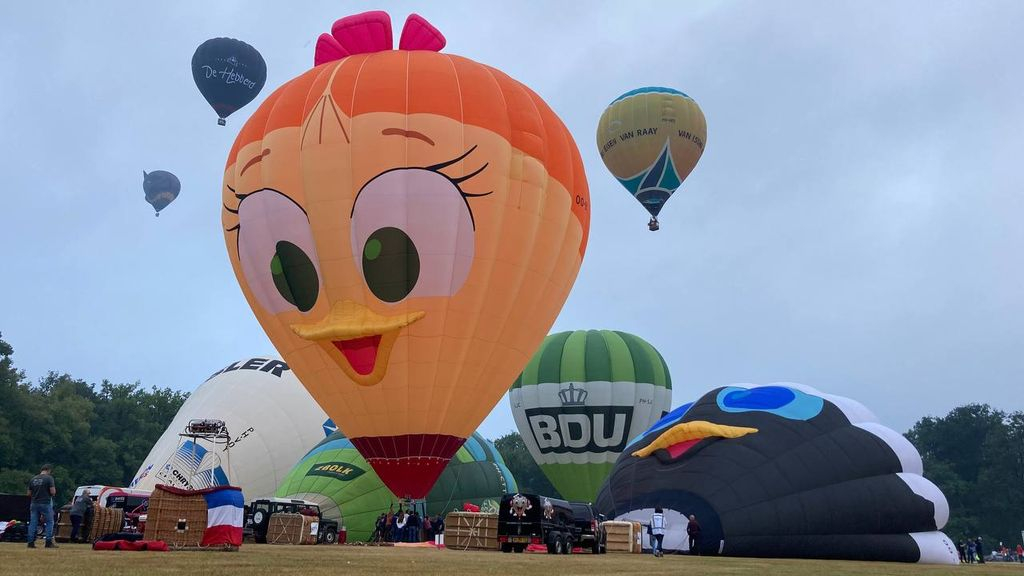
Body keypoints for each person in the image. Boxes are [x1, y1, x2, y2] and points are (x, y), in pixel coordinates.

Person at [27, 464, 57, 548]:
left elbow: (29, 493)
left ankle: (30, 542)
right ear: (49, 470)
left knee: (33, 523)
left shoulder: (33, 479)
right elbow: (52, 492)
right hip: (45, 503)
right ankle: (48, 542)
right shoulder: (49, 478)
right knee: (49, 522)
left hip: (34, 503)